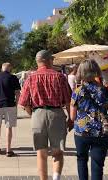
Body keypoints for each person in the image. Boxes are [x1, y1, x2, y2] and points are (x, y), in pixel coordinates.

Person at [19, 50, 72, 180]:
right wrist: (71, 118)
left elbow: (24, 102)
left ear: (38, 62)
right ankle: (56, 178)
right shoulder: (59, 76)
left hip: (38, 114)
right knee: (57, 152)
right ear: (49, 61)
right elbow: (68, 100)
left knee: (41, 153)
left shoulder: (30, 77)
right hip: (57, 114)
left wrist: (32, 114)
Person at [70, 59, 108, 180]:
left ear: (81, 72)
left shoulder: (77, 92)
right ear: (96, 71)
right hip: (101, 133)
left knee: (82, 160)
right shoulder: (105, 91)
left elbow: (72, 116)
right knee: (97, 165)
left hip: (82, 132)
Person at [0, 63, 21, 157]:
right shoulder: (13, 77)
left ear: (1, 68)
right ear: (10, 68)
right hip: (10, 104)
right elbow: (17, 92)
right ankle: (8, 149)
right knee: (9, 127)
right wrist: (17, 103)